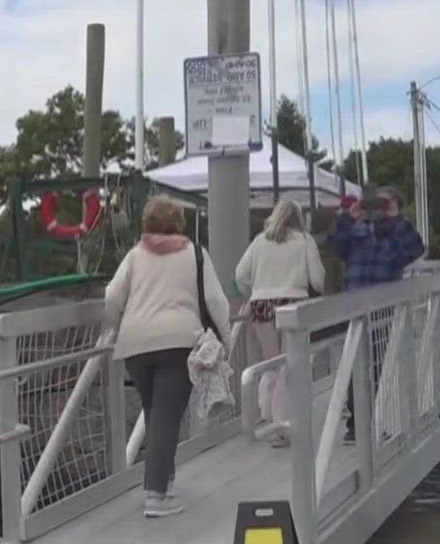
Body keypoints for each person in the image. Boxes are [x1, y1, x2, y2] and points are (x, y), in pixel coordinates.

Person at [104, 197, 231, 518]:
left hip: (135, 346)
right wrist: (226, 339)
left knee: (154, 413)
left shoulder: (134, 256)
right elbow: (216, 301)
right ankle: (156, 495)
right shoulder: (195, 254)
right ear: (178, 222)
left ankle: (165, 481)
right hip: (178, 343)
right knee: (166, 417)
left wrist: (113, 329)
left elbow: (111, 295)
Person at [328, 185, 424, 441]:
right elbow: (336, 247)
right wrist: (348, 217)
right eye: (378, 204)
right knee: (355, 362)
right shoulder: (358, 227)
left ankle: (375, 420)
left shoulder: (398, 232)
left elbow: (416, 250)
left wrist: (398, 219)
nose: (380, 209)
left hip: (384, 304)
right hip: (357, 304)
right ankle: (356, 426)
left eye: (387, 204)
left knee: (379, 364)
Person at [234, 199, 325, 447]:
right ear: (298, 218)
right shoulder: (305, 241)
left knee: (270, 363)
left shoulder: (259, 241)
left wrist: (255, 291)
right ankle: (281, 424)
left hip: (261, 304)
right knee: (290, 366)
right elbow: (317, 280)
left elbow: (240, 275)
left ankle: (267, 416)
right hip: (293, 303)